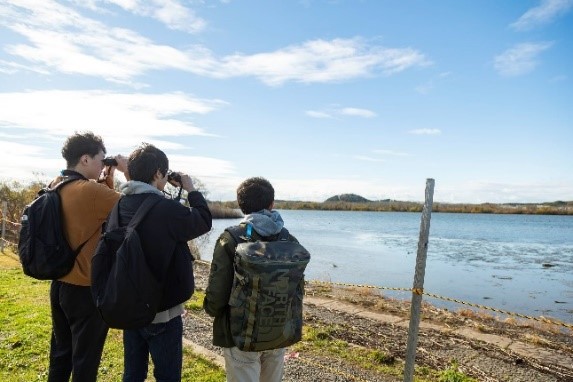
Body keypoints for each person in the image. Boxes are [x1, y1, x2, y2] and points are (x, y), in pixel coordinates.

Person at [117, 143, 212, 382]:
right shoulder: (165, 209)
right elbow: (203, 220)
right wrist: (191, 189)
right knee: (168, 376)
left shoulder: (119, 205)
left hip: (129, 304)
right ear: (158, 173)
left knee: (132, 374)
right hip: (163, 310)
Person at [49, 131, 129, 382]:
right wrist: (129, 172)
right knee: (85, 360)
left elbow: (94, 216)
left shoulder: (56, 184)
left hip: (59, 283)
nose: (103, 164)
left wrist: (107, 180)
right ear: (85, 159)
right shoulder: (91, 192)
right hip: (85, 289)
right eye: (101, 159)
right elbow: (135, 208)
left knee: (61, 353)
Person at [203, 177, 298, 382]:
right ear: (272, 204)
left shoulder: (231, 238)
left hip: (241, 332)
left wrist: (211, 310)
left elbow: (218, 292)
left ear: (241, 205)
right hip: (278, 329)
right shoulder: (287, 238)